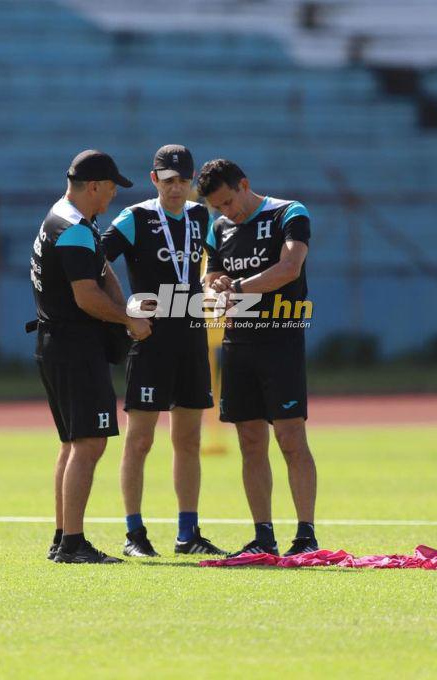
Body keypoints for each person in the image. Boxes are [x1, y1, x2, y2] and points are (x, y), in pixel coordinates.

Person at [102, 145, 226, 557]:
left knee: (188, 440)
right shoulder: (135, 217)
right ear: (154, 179)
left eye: (183, 181)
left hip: (191, 340)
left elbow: (217, 264)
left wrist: (216, 282)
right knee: (139, 441)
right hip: (150, 342)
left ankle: (188, 534)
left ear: (192, 183)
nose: (176, 188)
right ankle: (134, 534)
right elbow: (95, 261)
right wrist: (123, 312)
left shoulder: (201, 217)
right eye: (168, 181)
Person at [30, 149, 152, 564]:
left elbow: (100, 270)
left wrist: (124, 309)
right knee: (89, 443)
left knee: (72, 443)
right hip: (74, 346)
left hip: (56, 343)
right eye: (112, 187)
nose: (114, 194)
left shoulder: (64, 218)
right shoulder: (74, 229)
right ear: (95, 186)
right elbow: (86, 296)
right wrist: (127, 319)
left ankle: (63, 537)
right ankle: (72, 544)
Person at [197, 158, 319, 557]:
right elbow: (209, 277)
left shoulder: (289, 213)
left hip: (281, 341)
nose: (226, 211)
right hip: (237, 344)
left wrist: (238, 288)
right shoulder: (219, 227)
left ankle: (305, 535)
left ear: (244, 185)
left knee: (290, 438)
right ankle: (263, 535)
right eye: (218, 206)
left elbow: (290, 267)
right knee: (250, 442)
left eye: (229, 201)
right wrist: (216, 287)